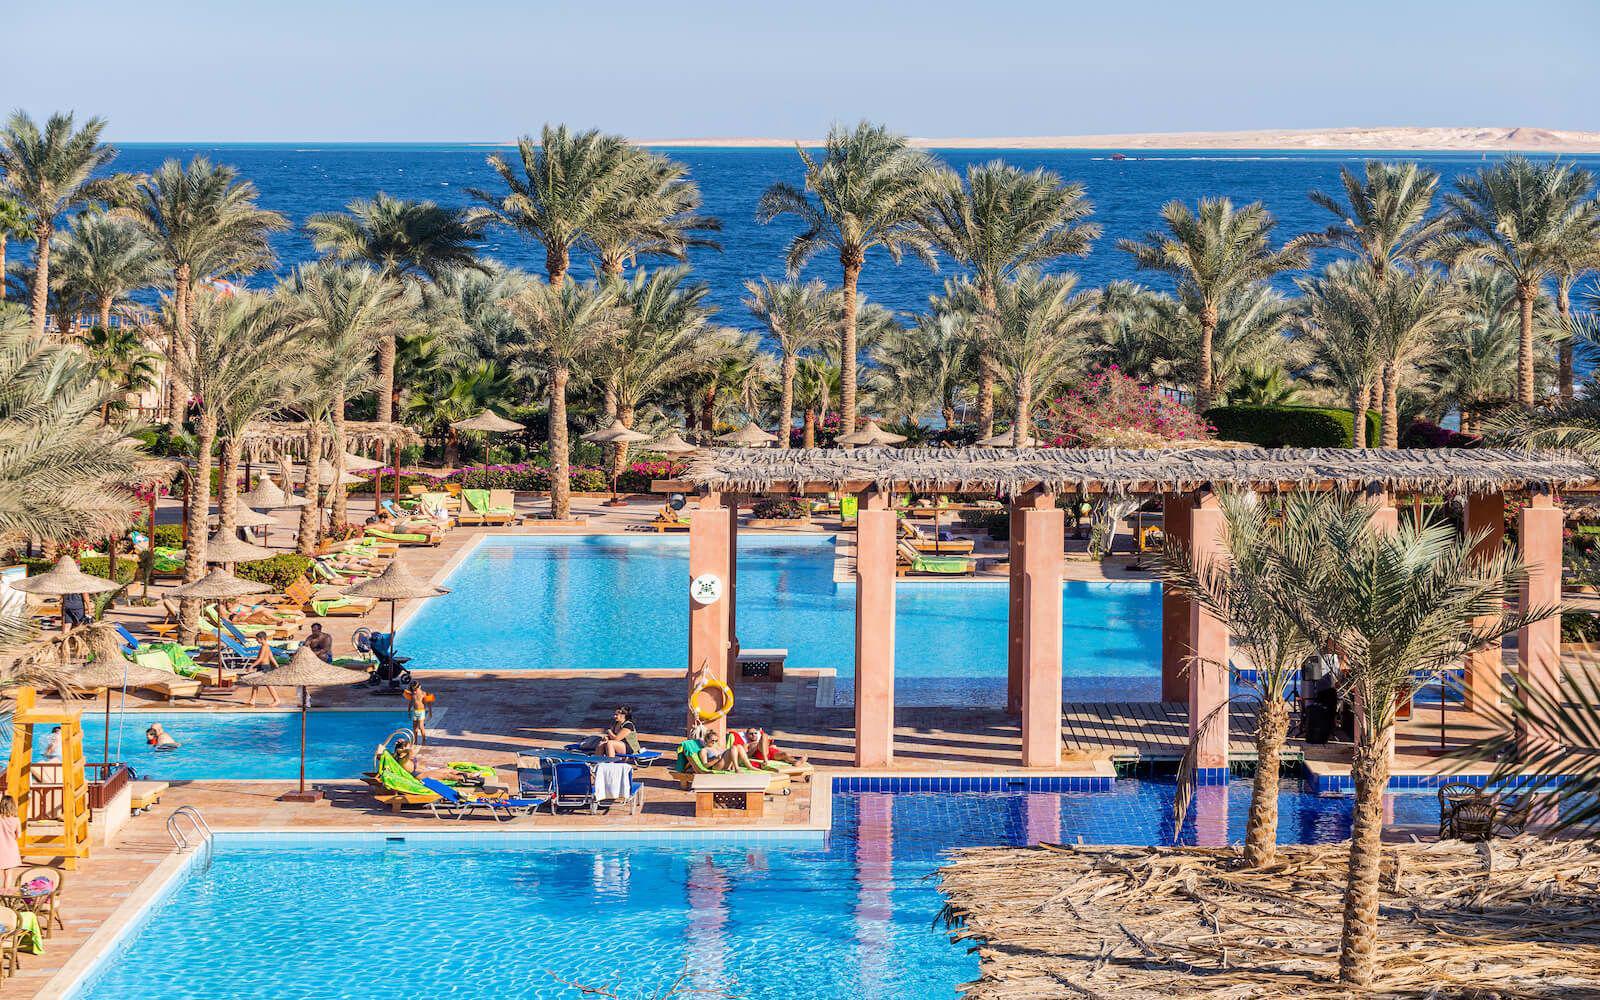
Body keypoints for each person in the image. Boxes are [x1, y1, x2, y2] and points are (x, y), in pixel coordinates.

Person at [246, 633, 281, 707]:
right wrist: (277, 665)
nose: (256, 640)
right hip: (263, 666)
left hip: (264, 667)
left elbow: (260, 659)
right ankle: (252, 699)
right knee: (255, 682)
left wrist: (251, 666)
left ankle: (277, 700)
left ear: (261, 639)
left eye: (257, 639)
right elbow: (271, 657)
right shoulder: (267, 646)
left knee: (268, 684)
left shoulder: (264, 647)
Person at [403, 681, 434, 745]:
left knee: (421, 726)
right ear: (420, 686)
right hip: (415, 711)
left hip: (421, 711)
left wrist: (430, 712)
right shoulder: (413, 694)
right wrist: (409, 711)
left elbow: (429, 703)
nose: (415, 690)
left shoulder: (423, 693)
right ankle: (416, 740)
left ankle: (423, 739)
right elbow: (410, 703)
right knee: (415, 727)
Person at [0, 798, 20, 880]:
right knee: (8, 874)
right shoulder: (16, 819)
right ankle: (6, 888)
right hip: (11, 849)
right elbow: (18, 835)